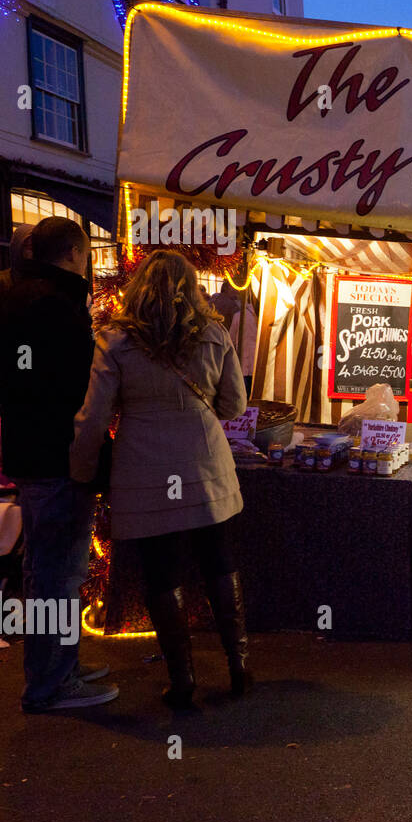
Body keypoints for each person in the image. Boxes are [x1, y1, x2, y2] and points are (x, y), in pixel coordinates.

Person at [71, 251, 250, 708]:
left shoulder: (114, 339)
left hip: (145, 469)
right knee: (219, 562)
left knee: (162, 574)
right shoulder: (213, 332)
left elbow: (94, 417)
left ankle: (183, 679)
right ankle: (239, 666)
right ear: (191, 287)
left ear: (138, 288)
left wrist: (82, 468)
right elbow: (234, 404)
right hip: (205, 464)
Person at [0, 216, 118, 712]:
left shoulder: (15, 299)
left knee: (43, 568)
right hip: (56, 456)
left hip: (31, 450)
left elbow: (15, 375)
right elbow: (75, 388)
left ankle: (56, 667)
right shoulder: (58, 307)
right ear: (74, 253)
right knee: (58, 572)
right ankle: (49, 685)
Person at [0, 221, 36, 391]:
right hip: (5, 370)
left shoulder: (48, 283)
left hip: (41, 373)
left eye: (35, 246)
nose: (31, 251)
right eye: (27, 245)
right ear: (17, 247)